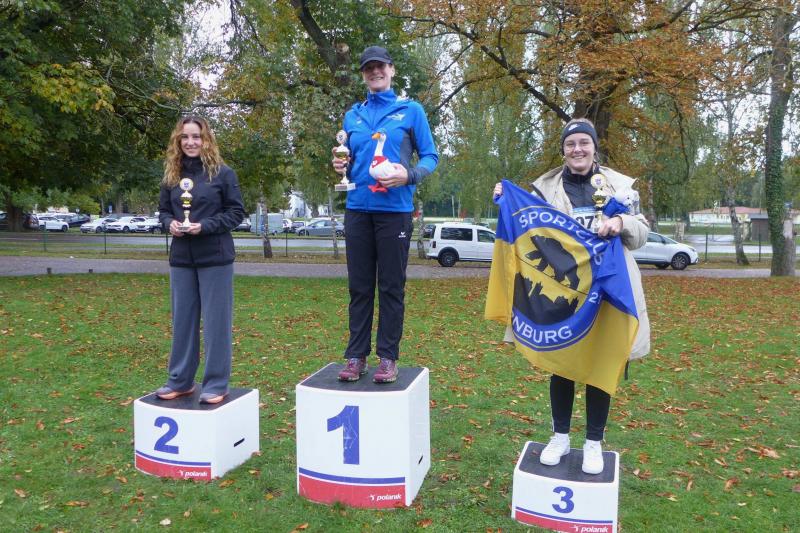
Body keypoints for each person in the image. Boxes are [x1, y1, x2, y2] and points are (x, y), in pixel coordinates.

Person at [493, 118, 650, 474]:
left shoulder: (619, 186)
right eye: (570, 144)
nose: (577, 149)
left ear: (594, 147)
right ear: (563, 150)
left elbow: (642, 232)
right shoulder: (544, 188)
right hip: (565, 292)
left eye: (584, 142)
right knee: (562, 364)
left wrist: (621, 223)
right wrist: (505, 201)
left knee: (601, 364)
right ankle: (560, 437)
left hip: (609, 289)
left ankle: (593, 442)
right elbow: (525, 224)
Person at [331, 45, 438, 383]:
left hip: (395, 212)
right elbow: (349, 158)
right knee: (359, 288)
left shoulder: (411, 111)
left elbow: (431, 157)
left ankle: (388, 358)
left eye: (380, 66)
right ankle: (356, 356)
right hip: (357, 210)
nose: (375, 72)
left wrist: (409, 175)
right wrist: (340, 164)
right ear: (363, 75)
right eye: (368, 68)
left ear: (391, 70)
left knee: (391, 287)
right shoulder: (353, 116)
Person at [155, 115, 245, 404]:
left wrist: (203, 226)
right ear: (178, 140)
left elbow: (236, 213)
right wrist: (169, 223)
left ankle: (216, 384)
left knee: (216, 324)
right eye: (185, 137)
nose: (191, 142)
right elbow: (163, 211)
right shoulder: (172, 175)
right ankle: (180, 380)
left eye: (197, 136)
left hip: (215, 258)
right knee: (182, 322)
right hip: (181, 259)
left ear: (207, 140)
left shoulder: (223, 174)